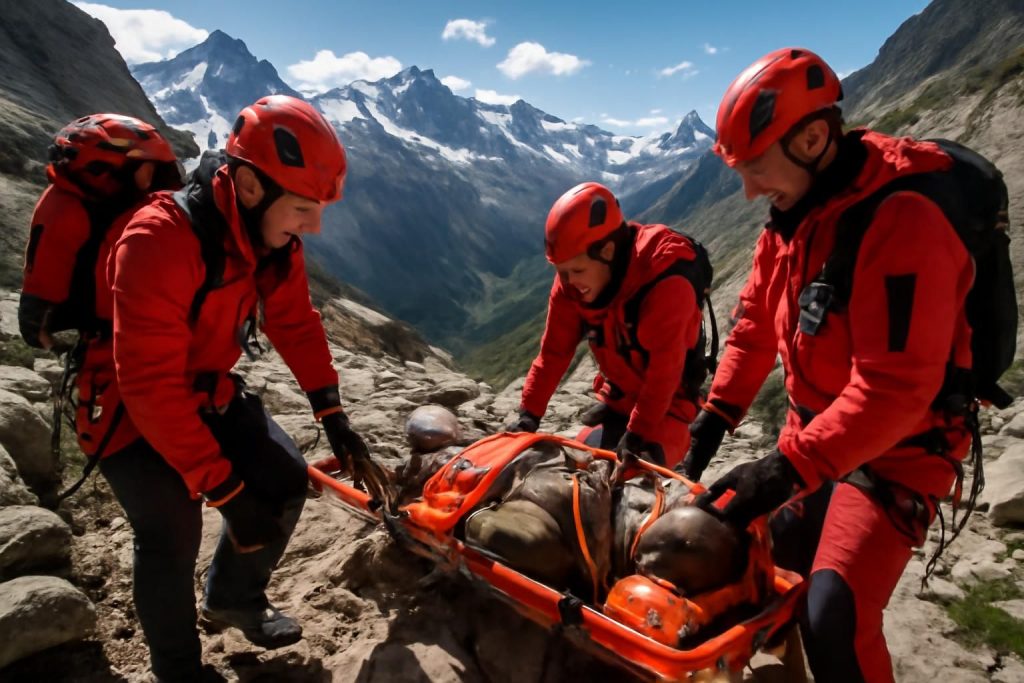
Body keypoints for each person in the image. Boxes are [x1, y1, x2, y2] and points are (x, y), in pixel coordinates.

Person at [687, 48, 976, 682]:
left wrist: (788, 469)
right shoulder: (791, 220)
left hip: (900, 454)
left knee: (833, 613)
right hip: (814, 434)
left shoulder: (904, 219)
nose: (749, 189)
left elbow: (897, 388)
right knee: (765, 567)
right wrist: (715, 417)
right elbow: (756, 327)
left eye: (756, 168)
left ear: (814, 138)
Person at [102, 95, 388, 682]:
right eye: (304, 209)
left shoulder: (269, 240)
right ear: (252, 186)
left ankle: (234, 599)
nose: (314, 226)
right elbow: (150, 389)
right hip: (125, 405)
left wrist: (331, 412)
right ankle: (178, 670)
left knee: (284, 478)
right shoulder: (157, 239)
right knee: (170, 532)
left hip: (204, 389)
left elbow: (295, 322)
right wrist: (227, 495)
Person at [19, 114, 185, 489]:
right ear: (107, 172)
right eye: (148, 169)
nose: (156, 180)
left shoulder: (87, 209)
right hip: (113, 365)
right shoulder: (70, 215)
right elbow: (38, 314)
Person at [507, 182, 707, 469]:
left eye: (576, 271)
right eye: (560, 272)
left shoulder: (665, 285)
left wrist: (637, 433)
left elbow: (664, 372)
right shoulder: (573, 282)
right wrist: (529, 415)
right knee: (577, 471)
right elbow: (554, 353)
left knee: (627, 483)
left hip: (670, 410)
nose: (567, 283)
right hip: (619, 400)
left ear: (608, 251)